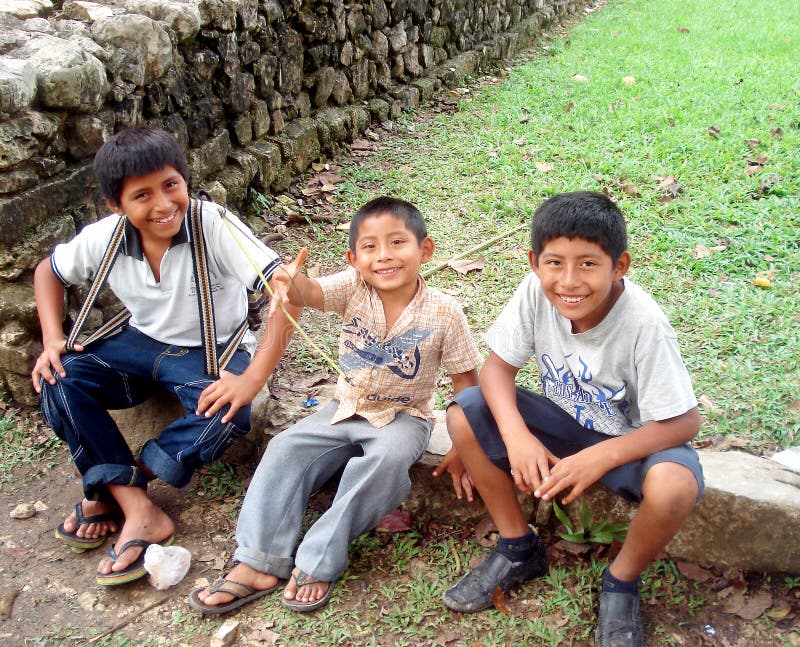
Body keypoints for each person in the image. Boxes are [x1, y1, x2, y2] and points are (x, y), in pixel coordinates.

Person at [188, 196, 482, 614]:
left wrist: (462, 445)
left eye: (398, 242)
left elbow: (465, 384)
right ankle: (259, 560)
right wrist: (291, 279)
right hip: (342, 408)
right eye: (370, 247)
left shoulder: (445, 313)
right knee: (285, 447)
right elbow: (308, 293)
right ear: (354, 258)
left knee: (382, 462)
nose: (384, 256)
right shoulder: (352, 287)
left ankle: (318, 559)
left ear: (425, 249)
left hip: (404, 418)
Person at [31, 126, 298, 586]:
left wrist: (251, 380)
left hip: (209, 352)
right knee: (57, 377)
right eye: (142, 195)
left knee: (228, 413)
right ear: (117, 205)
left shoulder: (211, 223)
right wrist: (52, 338)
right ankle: (138, 507)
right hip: (137, 344)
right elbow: (48, 272)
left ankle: (114, 486)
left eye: (171, 185)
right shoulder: (105, 236)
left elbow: (285, 294)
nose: (163, 204)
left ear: (185, 180)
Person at [440, 191, 703, 647]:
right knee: (466, 413)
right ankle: (518, 545)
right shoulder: (534, 293)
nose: (569, 281)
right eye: (555, 263)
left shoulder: (644, 323)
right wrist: (516, 435)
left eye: (587, 264)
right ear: (534, 262)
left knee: (675, 485)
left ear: (620, 265)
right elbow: (496, 370)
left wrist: (600, 457)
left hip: (631, 443)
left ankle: (620, 581)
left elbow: (685, 423)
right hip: (564, 425)